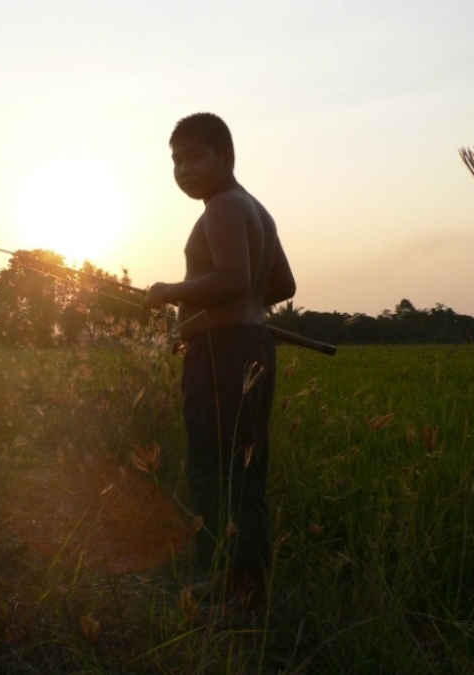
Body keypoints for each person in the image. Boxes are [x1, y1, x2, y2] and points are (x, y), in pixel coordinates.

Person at [144, 113, 296, 613]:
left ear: (226, 158)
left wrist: (171, 293)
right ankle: (237, 578)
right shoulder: (254, 208)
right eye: (175, 160)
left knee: (220, 467)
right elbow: (280, 286)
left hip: (224, 356)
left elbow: (232, 278)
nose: (183, 169)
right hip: (245, 345)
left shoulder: (222, 208)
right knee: (242, 465)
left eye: (195, 156)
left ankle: (244, 592)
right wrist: (236, 312)